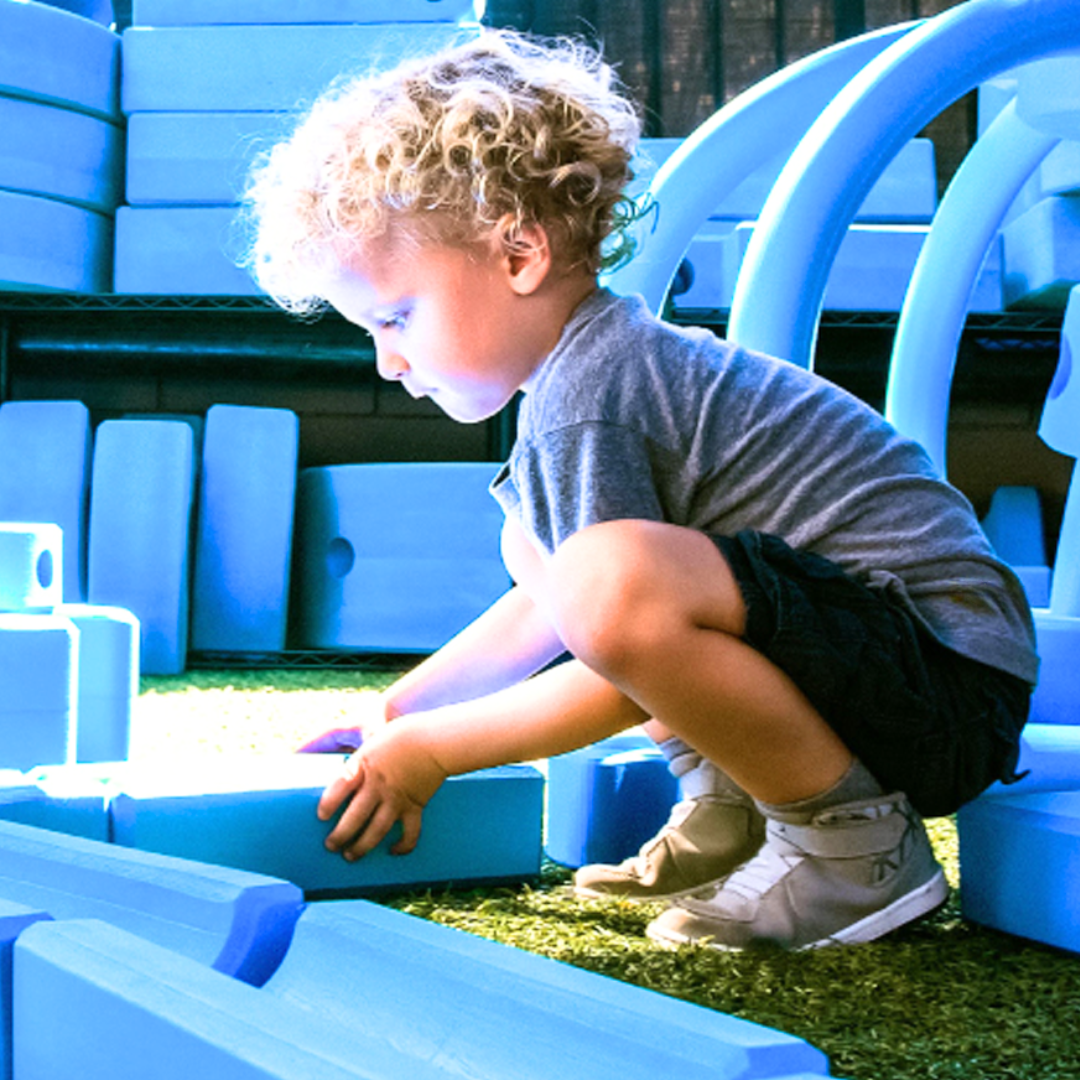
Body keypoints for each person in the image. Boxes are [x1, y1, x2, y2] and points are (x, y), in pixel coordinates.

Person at [242, 28, 1037, 951]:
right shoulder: (582, 383)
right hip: (882, 664)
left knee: (603, 575)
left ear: (518, 256)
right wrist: (401, 708)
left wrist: (433, 753)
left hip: (943, 688)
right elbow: (546, 612)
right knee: (544, 552)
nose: (389, 361)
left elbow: (611, 650)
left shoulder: (594, 397)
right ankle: (733, 802)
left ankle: (851, 851)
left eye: (396, 316)